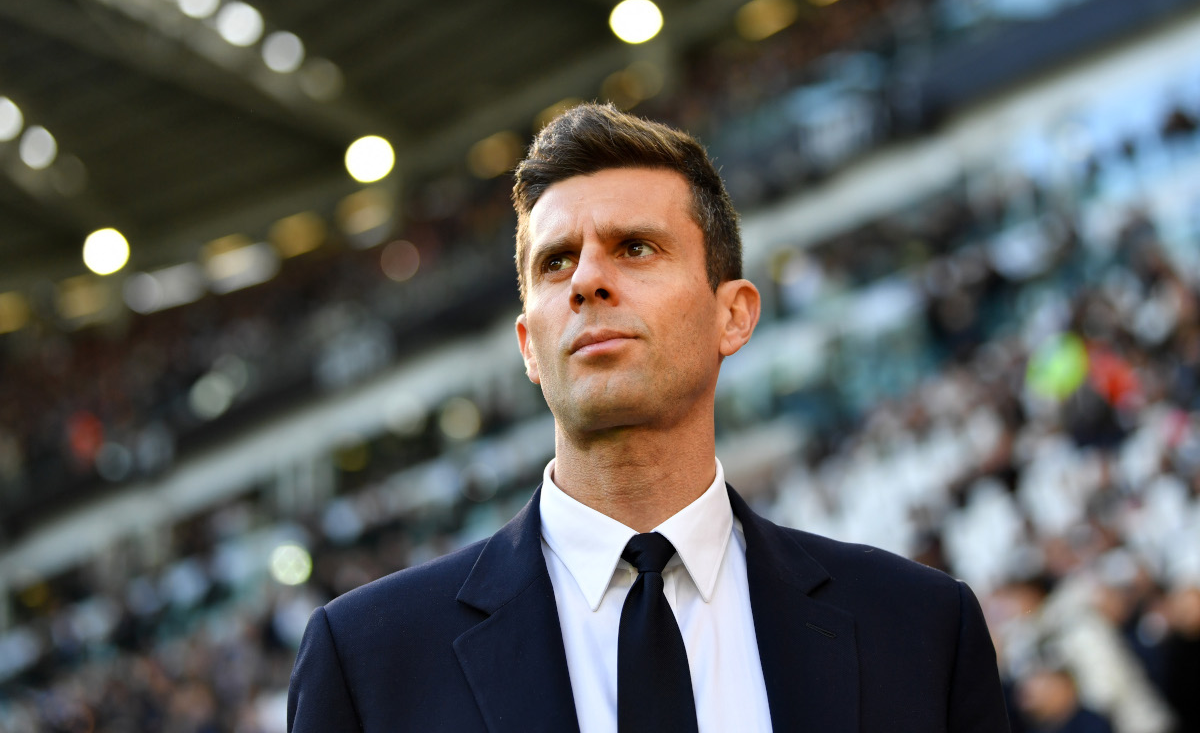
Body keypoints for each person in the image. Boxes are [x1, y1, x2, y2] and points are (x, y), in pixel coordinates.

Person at [287, 103, 1011, 732]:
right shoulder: (370, 660)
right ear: (528, 349)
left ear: (733, 315)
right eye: (556, 262)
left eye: (635, 248)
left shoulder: (918, 629)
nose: (587, 281)